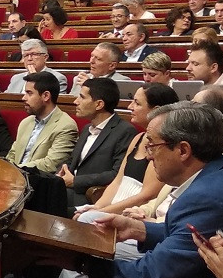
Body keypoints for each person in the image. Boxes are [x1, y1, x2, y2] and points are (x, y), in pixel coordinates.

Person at [36, 103, 223, 278]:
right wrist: (140, 229)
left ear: (183, 150)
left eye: (152, 144)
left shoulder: (207, 197)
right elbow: (194, 234)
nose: (148, 154)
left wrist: (78, 262)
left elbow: (149, 277)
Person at [74, 83, 178, 219]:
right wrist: (97, 207)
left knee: (82, 218)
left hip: (133, 214)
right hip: (114, 206)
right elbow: (117, 181)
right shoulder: (137, 138)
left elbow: (147, 195)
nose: (130, 107)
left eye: (137, 103)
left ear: (156, 110)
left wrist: (102, 213)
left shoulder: (163, 146)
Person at [59, 77, 136, 210]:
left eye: (82, 97)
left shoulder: (125, 131)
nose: (75, 102)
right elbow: (72, 160)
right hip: (68, 190)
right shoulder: (86, 129)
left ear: (99, 104)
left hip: (91, 196)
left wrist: (75, 181)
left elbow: (116, 173)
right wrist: (60, 172)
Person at [6, 71, 78, 172]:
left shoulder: (66, 126)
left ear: (46, 96)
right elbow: (13, 154)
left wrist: (16, 170)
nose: (23, 98)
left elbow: (51, 164)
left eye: (29, 93)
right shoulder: (26, 122)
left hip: (39, 183)